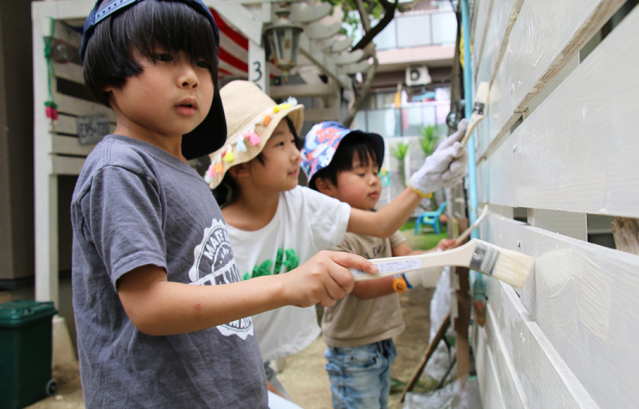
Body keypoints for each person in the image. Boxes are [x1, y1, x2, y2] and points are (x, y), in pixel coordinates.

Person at [71, 1, 377, 407]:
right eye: (164, 57)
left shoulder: (181, 170)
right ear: (109, 71)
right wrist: (284, 285)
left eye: (201, 63)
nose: (189, 78)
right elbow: (149, 305)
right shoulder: (121, 169)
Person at [208, 81, 469, 398]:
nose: (295, 155)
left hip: (260, 360)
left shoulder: (302, 202)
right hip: (225, 365)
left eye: (294, 142)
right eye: (279, 145)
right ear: (241, 166)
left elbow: (382, 224)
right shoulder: (216, 239)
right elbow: (212, 335)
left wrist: (423, 182)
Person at [304, 122, 461, 409]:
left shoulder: (381, 219)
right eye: (361, 173)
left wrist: (434, 255)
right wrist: (412, 278)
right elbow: (360, 287)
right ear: (325, 185)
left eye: (375, 172)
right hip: (351, 351)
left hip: (382, 340)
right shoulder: (332, 235)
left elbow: (406, 254)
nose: (374, 180)